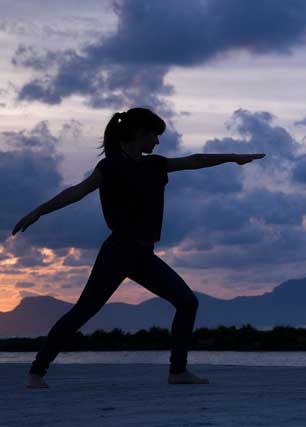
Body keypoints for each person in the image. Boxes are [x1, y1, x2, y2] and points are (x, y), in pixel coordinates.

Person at [11, 107, 265, 388]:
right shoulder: (110, 167)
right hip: (118, 252)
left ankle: (177, 372)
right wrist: (37, 211)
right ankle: (36, 373)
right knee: (83, 312)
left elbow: (197, 160)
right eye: (154, 135)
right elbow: (76, 191)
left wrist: (234, 158)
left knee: (187, 302)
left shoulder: (155, 165)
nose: (157, 142)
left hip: (144, 255)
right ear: (139, 133)